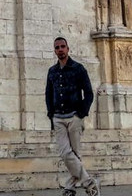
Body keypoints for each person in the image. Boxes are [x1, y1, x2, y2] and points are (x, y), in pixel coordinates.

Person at [45, 37, 98, 196]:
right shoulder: (52, 71)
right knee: (65, 153)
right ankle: (89, 182)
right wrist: (51, 114)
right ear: (55, 51)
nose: (60, 49)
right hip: (58, 118)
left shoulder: (78, 69)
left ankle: (70, 188)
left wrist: (80, 114)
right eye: (57, 47)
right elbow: (48, 94)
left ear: (68, 49)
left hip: (74, 116)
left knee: (75, 154)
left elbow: (88, 93)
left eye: (63, 46)